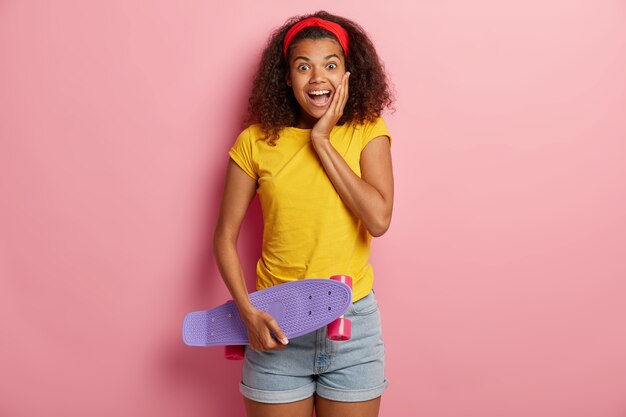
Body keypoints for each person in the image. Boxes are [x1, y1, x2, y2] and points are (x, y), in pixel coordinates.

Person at [213, 10, 394, 417]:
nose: (317, 78)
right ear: (286, 77)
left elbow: (379, 220)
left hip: (353, 327)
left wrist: (322, 141)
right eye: (303, 67)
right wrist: (247, 313)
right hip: (276, 326)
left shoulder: (367, 130)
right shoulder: (255, 141)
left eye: (331, 65)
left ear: (349, 75)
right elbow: (224, 237)